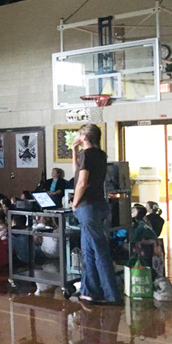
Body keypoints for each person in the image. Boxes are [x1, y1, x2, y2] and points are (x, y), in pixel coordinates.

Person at [71, 123, 122, 305]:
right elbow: (76, 173)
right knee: (88, 250)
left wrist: (74, 203)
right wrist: (73, 150)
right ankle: (89, 291)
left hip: (88, 206)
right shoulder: (100, 154)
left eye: (79, 135)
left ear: (84, 137)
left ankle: (112, 294)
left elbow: (81, 183)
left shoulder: (87, 154)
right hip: (99, 205)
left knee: (99, 250)